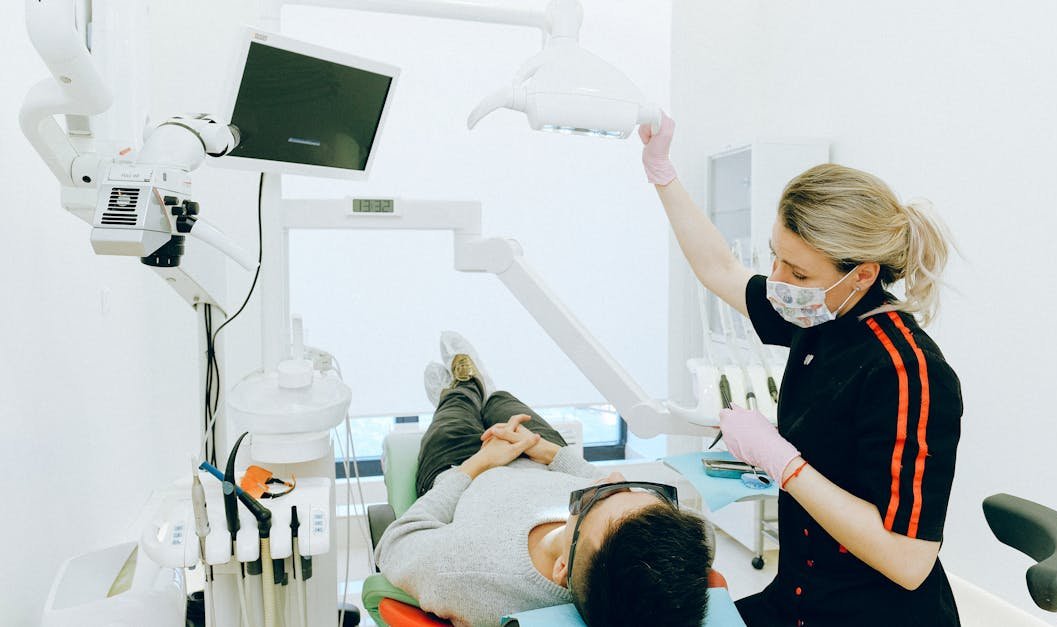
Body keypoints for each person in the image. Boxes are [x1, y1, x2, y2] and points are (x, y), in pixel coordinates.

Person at [639, 114, 964, 626]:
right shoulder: (819, 313)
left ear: (862, 275)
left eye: (798, 271)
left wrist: (782, 462)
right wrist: (662, 173)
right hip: (799, 598)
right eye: (776, 258)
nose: (778, 281)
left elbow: (908, 561)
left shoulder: (908, 372)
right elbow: (718, 269)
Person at [374, 332, 714, 627]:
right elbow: (703, 533)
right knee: (505, 402)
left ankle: (463, 385)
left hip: (462, 467)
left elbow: (394, 546)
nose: (612, 475)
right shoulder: (655, 562)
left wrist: (481, 461)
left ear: (562, 568)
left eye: (598, 496)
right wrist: (551, 454)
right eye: (636, 490)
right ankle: (487, 390)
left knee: (456, 410)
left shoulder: (466, 572)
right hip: (541, 457)